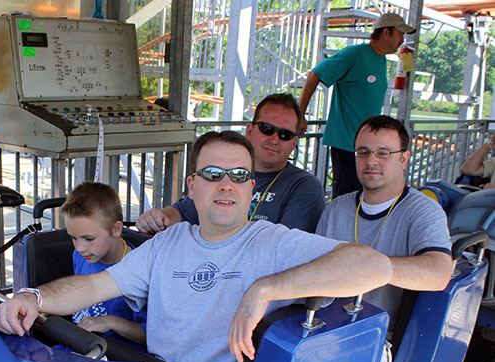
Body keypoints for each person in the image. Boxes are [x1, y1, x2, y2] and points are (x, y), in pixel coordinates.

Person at [0, 130, 392, 362]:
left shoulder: (272, 242)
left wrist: (265, 289)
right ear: (192, 185)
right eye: (213, 174)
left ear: (251, 188)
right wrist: (34, 297)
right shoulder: (168, 242)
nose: (226, 184)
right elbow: (96, 286)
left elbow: (372, 265)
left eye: (238, 176)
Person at [316, 115, 452, 330]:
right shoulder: (335, 209)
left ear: (403, 159)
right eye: (363, 152)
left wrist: (368, 266)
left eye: (383, 153)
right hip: (324, 325)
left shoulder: (423, 210)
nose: (371, 161)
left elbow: (438, 273)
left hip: (379, 335)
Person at [135, 93, 324, 234]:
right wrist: (157, 219)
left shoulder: (304, 187)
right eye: (267, 129)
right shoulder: (222, 173)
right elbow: (183, 211)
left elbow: (283, 248)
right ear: (250, 131)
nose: (274, 139)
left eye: (285, 134)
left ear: (294, 143)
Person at [298, 13, 416, 198]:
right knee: (347, 196)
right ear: (386, 32)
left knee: (366, 195)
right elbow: (316, 74)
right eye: (400, 34)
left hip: (368, 145)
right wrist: (300, 114)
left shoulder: (381, 59)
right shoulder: (355, 54)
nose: (402, 40)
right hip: (347, 143)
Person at [55, 182, 146, 346]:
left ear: (116, 229)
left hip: (116, 355)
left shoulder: (138, 271)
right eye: (74, 238)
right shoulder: (81, 254)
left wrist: (111, 322)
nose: (80, 248)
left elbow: (151, 336)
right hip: (81, 341)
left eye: (89, 239)